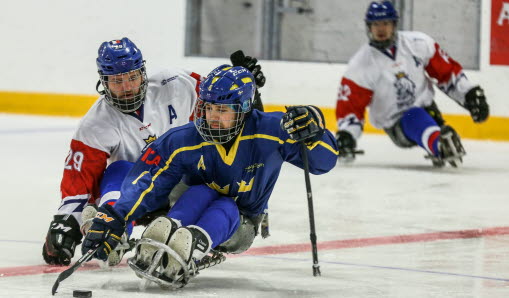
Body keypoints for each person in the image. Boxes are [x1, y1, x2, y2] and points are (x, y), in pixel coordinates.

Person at [80, 65, 338, 287]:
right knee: (200, 191)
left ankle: (195, 241)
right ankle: (171, 231)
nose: (212, 117)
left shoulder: (273, 130)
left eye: (223, 110)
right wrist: (116, 215)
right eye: (209, 108)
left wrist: (316, 134)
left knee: (225, 204)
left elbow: (323, 162)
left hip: (242, 223)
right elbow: (149, 177)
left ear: (245, 109)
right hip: (190, 203)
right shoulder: (184, 138)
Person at [42, 38, 266, 267]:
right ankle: (116, 232)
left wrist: (248, 91)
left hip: (189, 184)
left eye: (132, 77)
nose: (127, 87)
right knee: (119, 169)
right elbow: (79, 178)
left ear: (143, 72)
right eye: (117, 81)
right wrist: (65, 221)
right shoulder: (95, 124)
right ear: (103, 81)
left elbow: (228, 110)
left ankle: (181, 232)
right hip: (141, 196)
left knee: (202, 190)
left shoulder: (177, 84)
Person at [335, 1, 489, 167]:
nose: (381, 29)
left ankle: (438, 139)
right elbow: (351, 107)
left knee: (421, 116)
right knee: (413, 116)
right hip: (395, 124)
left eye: (386, 23)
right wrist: (347, 135)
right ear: (368, 27)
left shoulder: (419, 44)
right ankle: (438, 144)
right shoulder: (360, 65)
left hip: (429, 110)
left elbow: (446, 74)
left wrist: (468, 95)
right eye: (376, 24)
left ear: (394, 24)